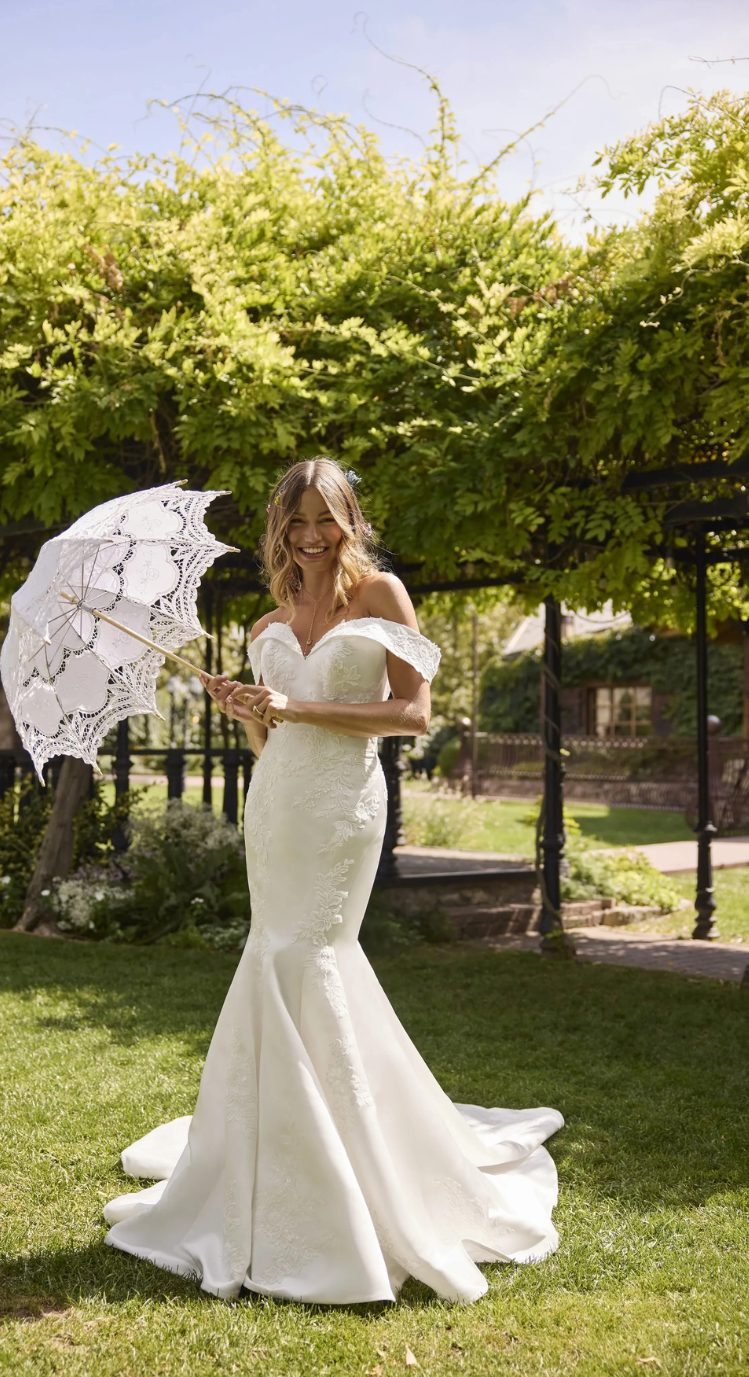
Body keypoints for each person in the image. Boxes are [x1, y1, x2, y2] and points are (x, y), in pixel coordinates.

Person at [103, 458, 563, 1304]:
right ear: (277, 529)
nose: (312, 534)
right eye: (296, 520)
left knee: (313, 953)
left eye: (327, 518)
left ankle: (354, 1163)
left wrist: (295, 704)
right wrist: (252, 717)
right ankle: (275, 1148)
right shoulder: (263, 624)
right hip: (277, 804)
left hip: (346, 804)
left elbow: (413, 715)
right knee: (271, 954)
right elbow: (274, 747)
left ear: (350, 520)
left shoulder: (382, 595)